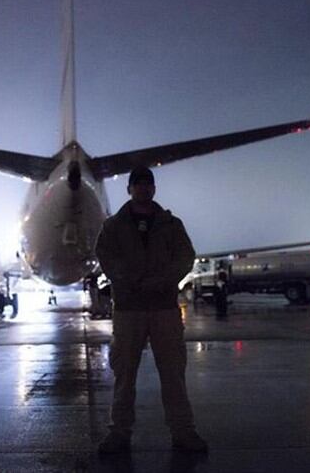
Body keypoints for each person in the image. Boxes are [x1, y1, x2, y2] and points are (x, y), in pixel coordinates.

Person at [94, 166, 207, 454]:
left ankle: (183, 431)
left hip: (162, 307)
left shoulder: (170, 223)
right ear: (130, 189)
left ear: (153, 189)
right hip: (131, 308)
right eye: (139, 184)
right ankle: (119, 432)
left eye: (148, 184)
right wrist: (132, 281)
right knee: (124, 373)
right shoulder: (114, 226)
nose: (144, 188)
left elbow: (185, 257)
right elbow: (105, 255)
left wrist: (160, 280)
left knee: (172, 372)